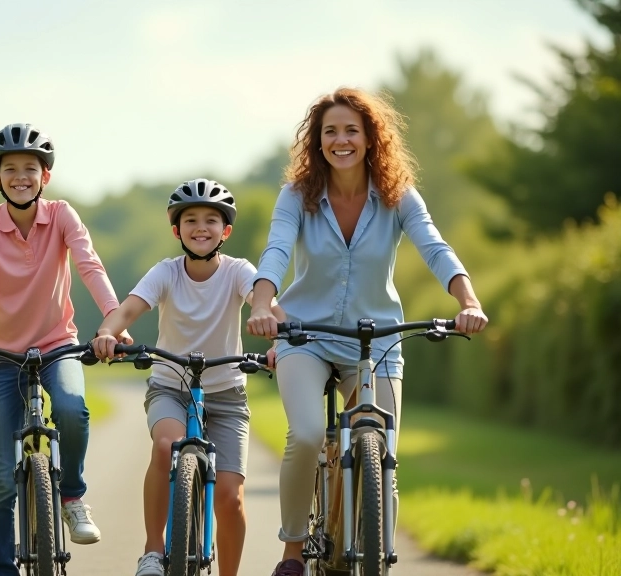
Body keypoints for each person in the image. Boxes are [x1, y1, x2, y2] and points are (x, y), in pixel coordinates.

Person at [244, 87, 489, 576]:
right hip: (304, 335)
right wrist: (263, 302)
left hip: (374, 339)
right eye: (330, 131)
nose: (341, 140)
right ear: (317, 141)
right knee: (309, 433)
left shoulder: (398, 196)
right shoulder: (298, 194)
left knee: (381, 443)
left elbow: (435, 248)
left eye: (351, 130)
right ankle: (293, 551)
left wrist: (468, 300)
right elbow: (276, 250)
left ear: (370, 137)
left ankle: (374, 547)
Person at [0, 123, 131, 576]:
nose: (20, 176)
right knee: (2, 478)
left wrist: (113, 321)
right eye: (10, 169)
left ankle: (73, 495)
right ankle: (0, 569)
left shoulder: (62, 215)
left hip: (56, 345)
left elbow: (89, 265)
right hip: (1, 356)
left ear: (45, 177)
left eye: (30, 168)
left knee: (71, 405)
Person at [92, 178, 276, 576]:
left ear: (225, 231)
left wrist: (283, 339)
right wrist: (107, 333)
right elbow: (128, 309)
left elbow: (268, 308)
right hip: (170, 388)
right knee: (165, 447)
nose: (200, 227)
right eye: (190, 220)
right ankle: (153, 550)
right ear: (177, 230)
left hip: (227, 394)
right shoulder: (166, 273)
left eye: (211, 220)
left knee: (230, 497)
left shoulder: (239, 272)